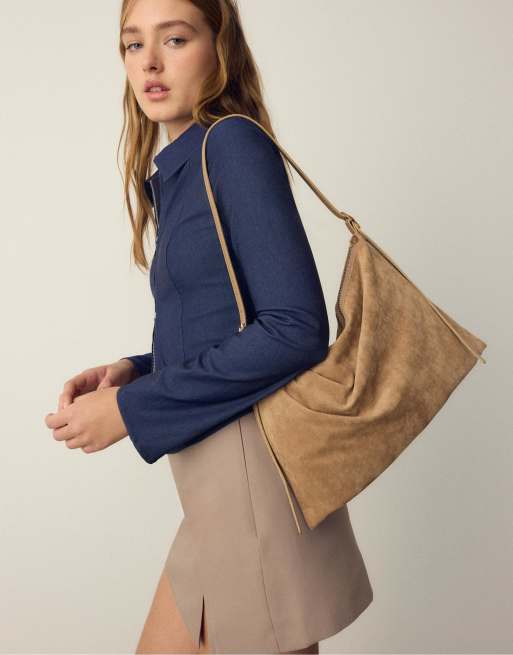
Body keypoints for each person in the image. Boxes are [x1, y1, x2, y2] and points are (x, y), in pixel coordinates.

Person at [45, 1, 374, 653]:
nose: (150, 63)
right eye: (133, 44)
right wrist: (134, 371)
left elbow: (295, 328)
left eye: (174, 39)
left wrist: (131, 409)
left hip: (250, 480)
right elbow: (230, 321)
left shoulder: (231, 145)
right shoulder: (184, 166)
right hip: (218, 488)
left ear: (219, 46)